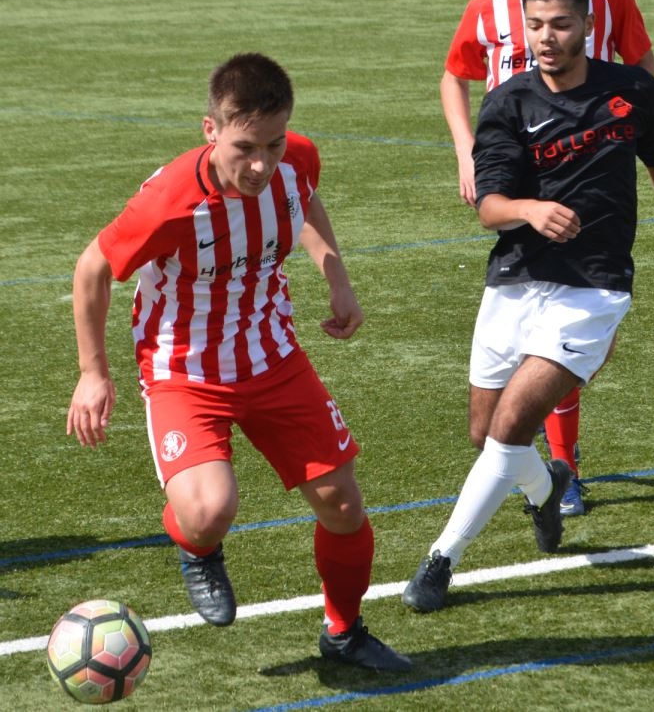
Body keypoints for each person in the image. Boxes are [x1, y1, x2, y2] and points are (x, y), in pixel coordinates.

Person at [67, 52, 411, 672]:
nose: (261, 165)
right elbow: (92, 268)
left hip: (272, 354)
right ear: (211, 130)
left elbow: (302, 201)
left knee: (342, 504)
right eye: (245, 147)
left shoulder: (294, 158)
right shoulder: (169, 203)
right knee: (208, 511)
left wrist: (336, 275)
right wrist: (94, 374)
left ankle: (344, 632)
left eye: (274, 145)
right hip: (185, 370)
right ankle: (197, 548)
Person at [403, 0, 654, 612]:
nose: (545, 36)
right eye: (534, 24)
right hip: (515, 280)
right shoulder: (506, 102)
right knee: (486, 432)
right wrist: (528, 211)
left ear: (588, 25)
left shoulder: (632, 91)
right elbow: (488, 207)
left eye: (560, 24)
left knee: (508, 428)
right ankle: (546, 485)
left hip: (593, 289)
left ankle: (439, 558)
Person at [440, 0, 654, 516]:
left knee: (562, 322)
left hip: (581, 173)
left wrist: (629, 140)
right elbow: (454, 74)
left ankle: (563, 463)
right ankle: (534, 463)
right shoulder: (486, 8)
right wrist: (465, 151)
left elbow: (640, 70)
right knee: (524, 324)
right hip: (514, 178)